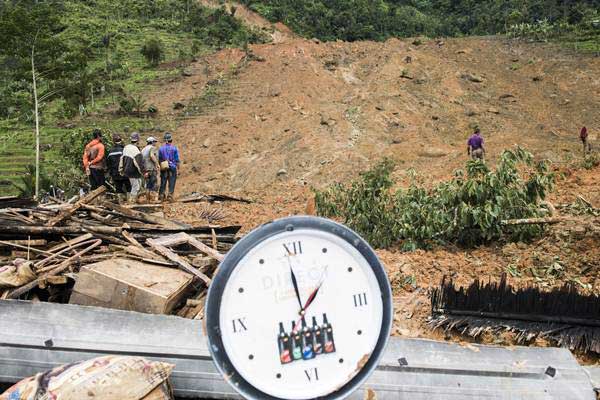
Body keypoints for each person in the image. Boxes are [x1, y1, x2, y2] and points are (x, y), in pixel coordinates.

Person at [119, 132, 145, 203]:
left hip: (126, 170)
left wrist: (121, 169)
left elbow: (121, 159)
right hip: (133, 171)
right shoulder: (136, 150)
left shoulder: (126, 147)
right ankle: (132, 201)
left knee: (134, 186)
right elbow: (138, 163)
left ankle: (132, 200)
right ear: (138, 140)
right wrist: (143, 172)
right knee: (136, 187)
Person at [106, 133, 131, 203]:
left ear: (113, 141)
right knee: (128, 187)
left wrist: (111, 174)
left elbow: (108, 164)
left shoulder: (110, 152)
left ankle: (121, 203)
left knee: (118, 188)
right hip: (124, 173)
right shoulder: (124, 150)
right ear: (121, 141)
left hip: (115, 174)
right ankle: (130, 202)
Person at [158, 132, 180, 202]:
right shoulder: (174, 148)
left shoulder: (161, 149)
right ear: (171, 140)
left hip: (164, 167)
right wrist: (178, 169)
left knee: (163, 181)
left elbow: (160, 159)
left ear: (165, 140)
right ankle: (170, 196)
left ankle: (161, 195)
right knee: (172, 181)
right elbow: (177, 160)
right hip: (172, 167)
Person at [142, 136, 160, 202]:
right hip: (152, 168)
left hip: (145, 170)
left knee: (147, 184)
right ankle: (153, 200)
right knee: (154, 183)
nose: (155, 143)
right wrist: (157, 164)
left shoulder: (143, 150)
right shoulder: (152, 148)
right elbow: (152, 156)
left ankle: (147, 199)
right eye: (154, 142)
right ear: (152, 142)